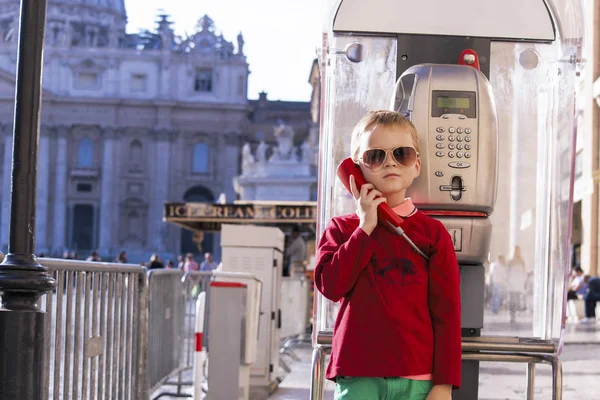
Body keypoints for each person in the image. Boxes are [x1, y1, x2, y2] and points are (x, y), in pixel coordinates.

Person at [314, 110, 461, 400]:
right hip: (358, 372)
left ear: (416, 165)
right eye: (375, 156)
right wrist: (365, 227)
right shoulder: (342, 229)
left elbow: (447, 313)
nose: (390, 162)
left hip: (417, 377)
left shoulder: (432, 234)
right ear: (356, 170)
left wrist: (444, 383)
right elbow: (330, 286)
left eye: (402, 154)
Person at [507, 246, 527, 323]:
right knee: (512, 300)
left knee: (516, 301)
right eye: (516, 251)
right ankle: (512, 316)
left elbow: (524, 273)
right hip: (511, 284)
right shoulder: (510, 261)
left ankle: (514, 316)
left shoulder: (522, 261)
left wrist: (523, 283)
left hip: (518, 284)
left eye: (518, 251)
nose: (517, 252)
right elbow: (507, 272)